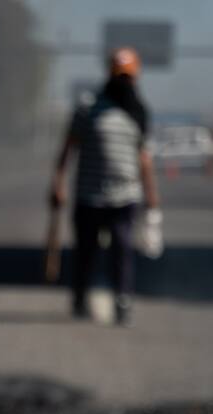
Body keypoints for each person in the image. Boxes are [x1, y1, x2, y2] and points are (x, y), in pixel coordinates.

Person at [50, 47, 160, 326]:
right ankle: (80, 296)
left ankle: (123, 299)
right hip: (90, 195)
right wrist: (58, 182)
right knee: (85, 250)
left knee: (122, 249)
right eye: (119, 76)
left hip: (125, 196)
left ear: (135, 78)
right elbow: (68, 147)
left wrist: (153, 200)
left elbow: (144, 158)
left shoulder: (139, 113)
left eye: (128, 76)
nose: (124, 82)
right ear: (109, 75)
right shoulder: (88, 108)